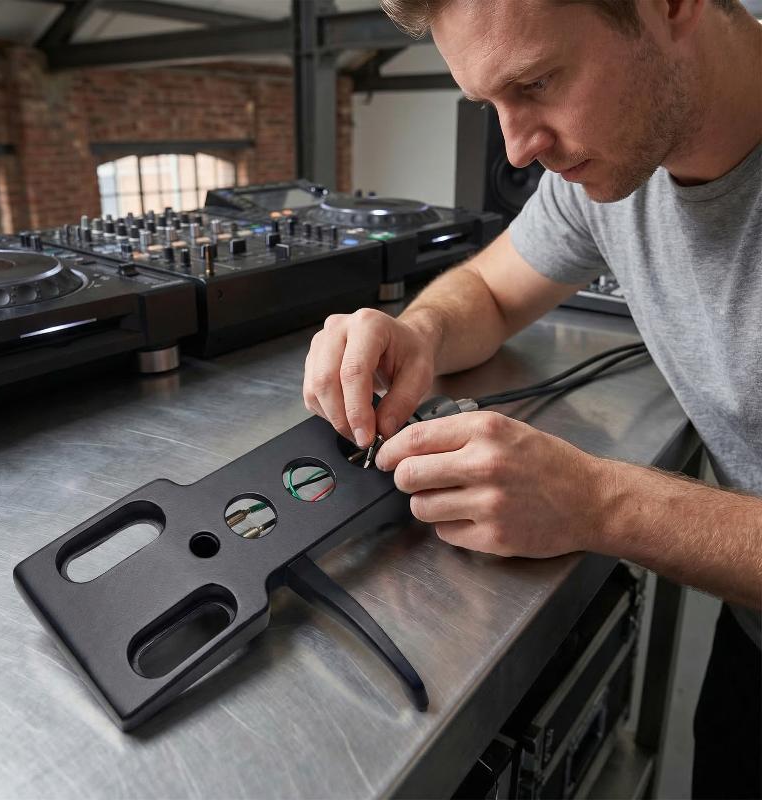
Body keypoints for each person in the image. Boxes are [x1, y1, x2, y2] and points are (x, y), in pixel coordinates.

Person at [302, 0, 762, 795]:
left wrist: (600, 503)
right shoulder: (611, 165)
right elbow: (489, 289)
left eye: (538, 83)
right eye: (492, 103)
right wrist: (418, 333)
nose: (518, 150)